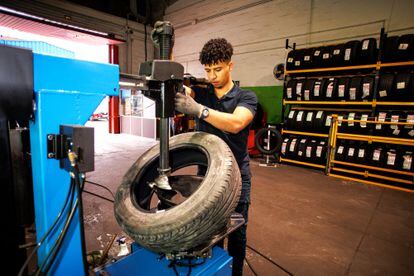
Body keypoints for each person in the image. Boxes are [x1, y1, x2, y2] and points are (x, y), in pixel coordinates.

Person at [175, 38, 257, 276]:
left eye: (218, 69)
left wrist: (199, 109)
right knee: (210, 234)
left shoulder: (246, 97)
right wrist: (175, 88)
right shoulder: (200, 93)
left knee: (236, 237)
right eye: (208, 70)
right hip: (207, 176)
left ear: (230, 65)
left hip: (236, 178)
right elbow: (185, 92)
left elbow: (236, 123)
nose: (212, 75)